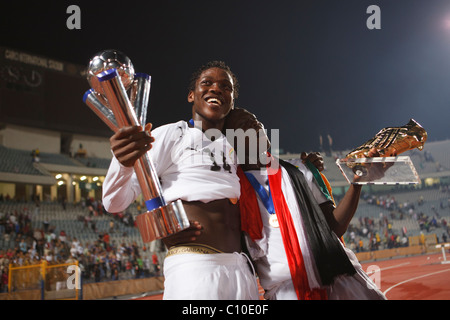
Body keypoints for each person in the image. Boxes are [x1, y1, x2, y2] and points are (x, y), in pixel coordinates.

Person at [102, 61, 259, 300]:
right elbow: (113, 202)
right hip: (195, 266)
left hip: (241, 267)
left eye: (225, 86)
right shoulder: (171, 134)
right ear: (191, 96)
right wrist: (122, 163)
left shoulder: (237, 147)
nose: (216, 88)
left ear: (232, 101)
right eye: (207, 83)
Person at [224, 107, 386, 300]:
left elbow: (334, 227)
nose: (255, 124)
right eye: (244, 125)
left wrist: (357, 182)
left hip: (340, 283)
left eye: (255, 119)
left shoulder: (299, 169)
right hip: (286, 293)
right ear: (232, 142)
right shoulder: (233, 192)